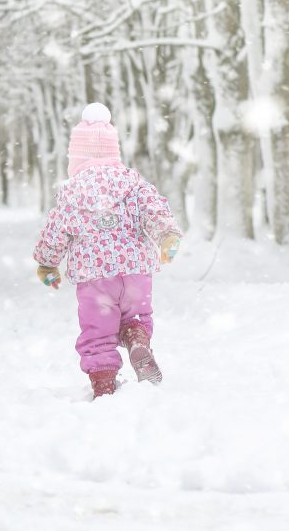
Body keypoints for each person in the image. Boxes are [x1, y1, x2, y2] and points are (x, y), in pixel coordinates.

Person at [33, 103, 181, 399]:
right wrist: (166, 236)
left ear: (75, 157)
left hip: (95, 278)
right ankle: (136, 335)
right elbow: (154, 210)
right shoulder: (133, 183)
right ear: (114, 153)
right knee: (137, 315)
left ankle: (103, 384)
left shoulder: (72, 192)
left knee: (97, 333)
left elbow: (56, 232)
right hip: (136, 271)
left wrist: (47, 264)